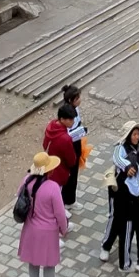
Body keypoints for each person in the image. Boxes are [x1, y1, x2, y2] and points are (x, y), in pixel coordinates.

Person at [99, 121, 139, 273]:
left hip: (131, 197)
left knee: (126, 224)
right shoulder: (120, 147)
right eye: (134, 134)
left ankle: (133, 260)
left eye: (138, 134)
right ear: (128, 135)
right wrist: (128, 167)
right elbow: (117, 159)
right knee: (117, 220)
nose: (136, 137)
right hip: (118, 191)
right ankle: (107, 247)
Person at [17, 149, 69, 277]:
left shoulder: (27, 180)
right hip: (47, 231)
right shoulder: (52, 187)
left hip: (30, 228)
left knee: (33, 260)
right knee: (49, 263)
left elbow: (18, 194)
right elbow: (60, 213)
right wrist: (64, 229)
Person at [43, 102, 81, 214]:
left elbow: (45, 144)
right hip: (59, 171)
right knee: (56, 196)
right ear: (62, 119)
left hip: (48, 166)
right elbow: (71, 160)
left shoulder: (51, 126)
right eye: (70, 119)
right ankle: (60, 219)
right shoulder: (65, 138)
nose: (73, 122)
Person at [59, 83, 86, 212]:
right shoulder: (67, 113)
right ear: (70, 100)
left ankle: (71, 200)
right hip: (71, 144)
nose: (80, 99)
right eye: (77, 98)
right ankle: (65, 201)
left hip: (76, 142)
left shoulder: (75, 109)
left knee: (74, 173)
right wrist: (79, 132)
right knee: (69, 174)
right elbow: (67, 133)